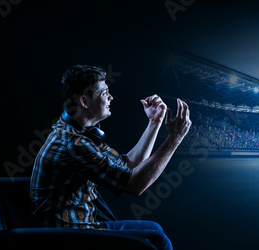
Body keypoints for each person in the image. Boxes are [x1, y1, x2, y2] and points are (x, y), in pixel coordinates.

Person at [30, 65, 191, 249]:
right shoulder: (74, 145)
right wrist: (174, 139)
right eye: (105, 92)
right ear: (84, 101)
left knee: (154, 230)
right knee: (157, 239)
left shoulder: (80, 133)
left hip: (84, 225)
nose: (111, 97)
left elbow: (128, 164)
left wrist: (154, 122)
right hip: (70, 236)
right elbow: (135, 185)